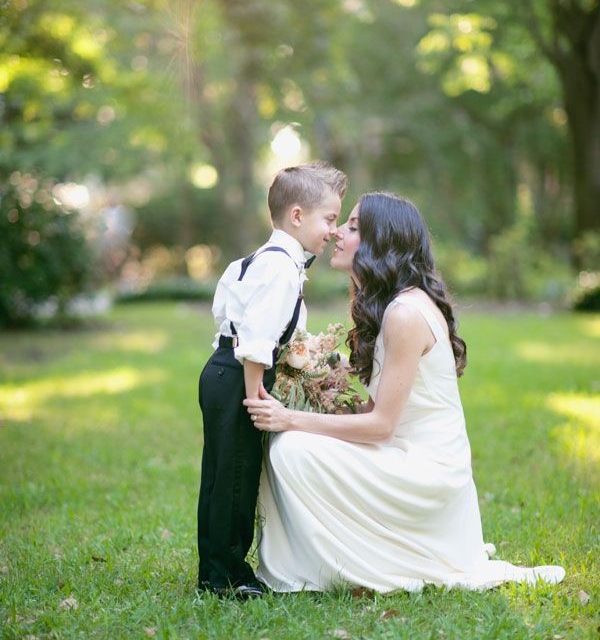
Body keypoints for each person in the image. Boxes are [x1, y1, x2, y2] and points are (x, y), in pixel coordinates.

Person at [244, 193, 565, 593]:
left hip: (428, 470)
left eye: (354, 227)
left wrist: (290, 418)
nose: (337, 232)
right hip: (401, 452)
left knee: (291, 447)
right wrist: (318, 396)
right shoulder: (391, 306)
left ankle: (339, 567)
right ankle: (341, 553)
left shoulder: (406, 313)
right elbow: (376, 411)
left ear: (383, 242)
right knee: (291, 442)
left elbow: (381, 426)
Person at [197, 162, 347, 598]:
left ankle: (214, 570)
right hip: (241, 378)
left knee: (222, 473)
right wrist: (256, 398)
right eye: (330, 219)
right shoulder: (280, 268)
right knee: (237, 476)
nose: (334, 231)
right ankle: (226, 577)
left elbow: (227, 316)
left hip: (223, 370)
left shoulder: (261, 260)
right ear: (297, 216)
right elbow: (257, 339)